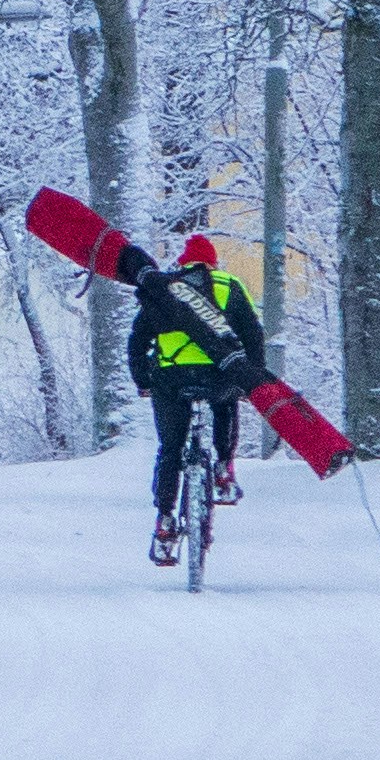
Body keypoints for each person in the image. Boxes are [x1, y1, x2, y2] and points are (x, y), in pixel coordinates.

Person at [128, 232, 265, 564]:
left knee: (170, 449)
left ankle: (164, 520)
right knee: (225, 400)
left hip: (170, 380)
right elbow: (252, 333)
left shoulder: (164, 288)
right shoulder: (228, 285)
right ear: (213, 263)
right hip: (218, 376)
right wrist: (253, 379)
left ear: (183, 263)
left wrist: (142, 380)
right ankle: (222, 468)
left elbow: (138, 339)